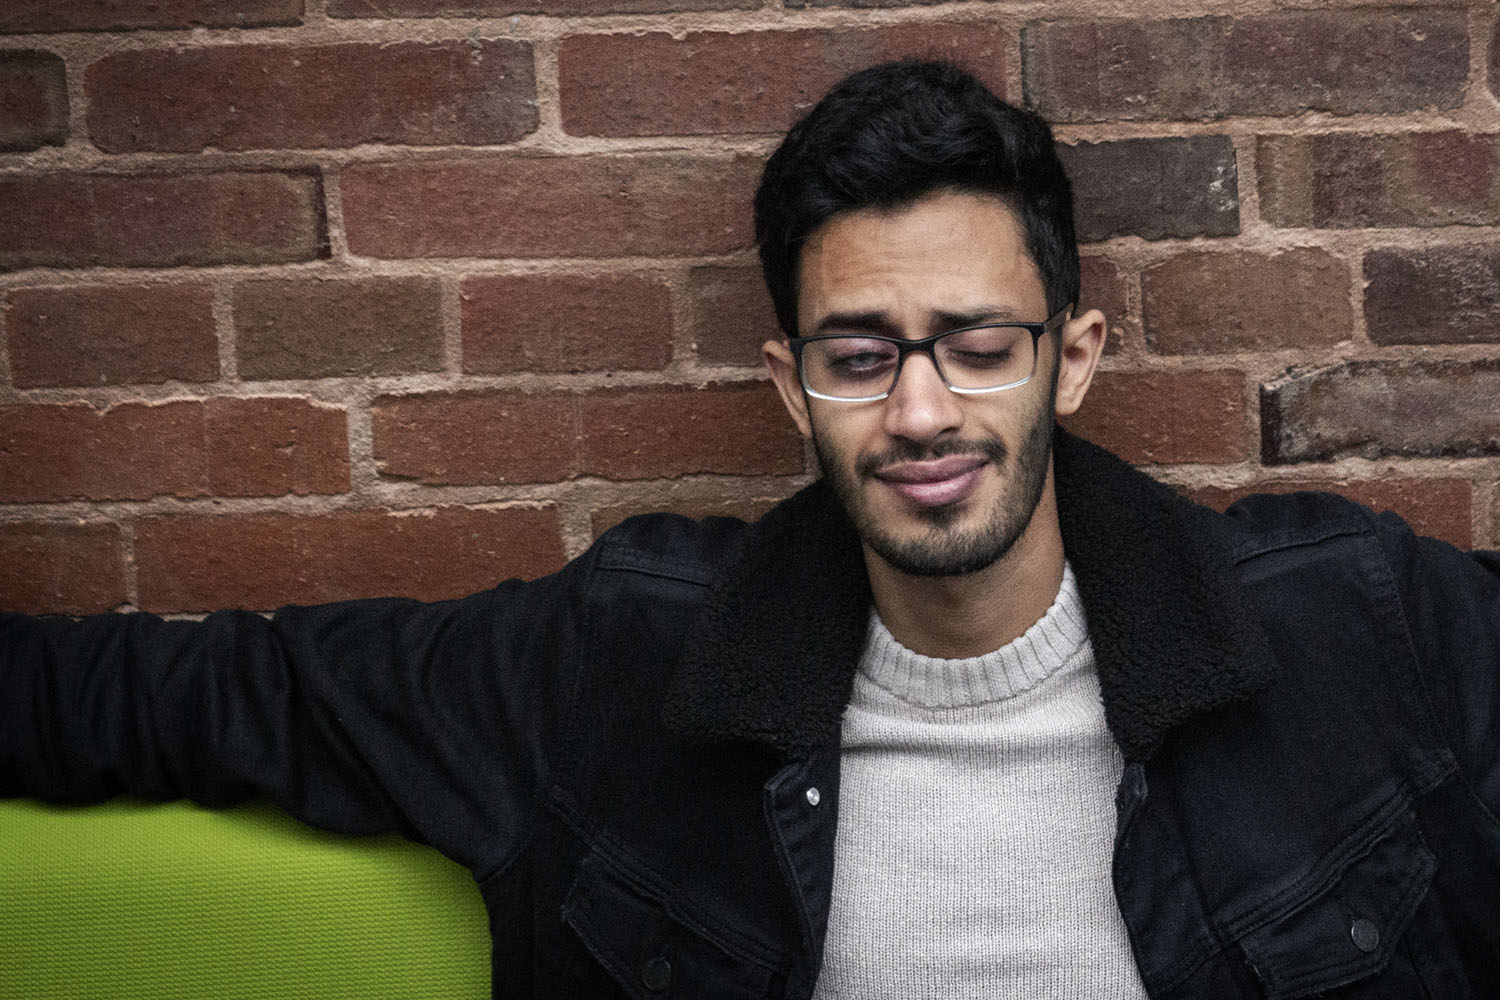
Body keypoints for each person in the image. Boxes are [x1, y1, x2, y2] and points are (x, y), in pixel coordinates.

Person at [4, 59, 1499, 999]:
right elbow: (210, 698)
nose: (920, 413)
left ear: (1076, 354)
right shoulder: (619, 665)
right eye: (861, 355)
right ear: (790, 386)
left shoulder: (1357, 629)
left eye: (978, 345)